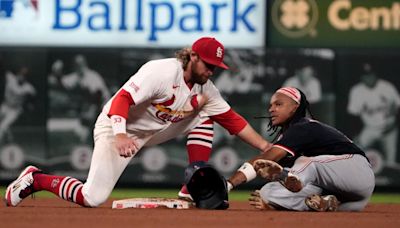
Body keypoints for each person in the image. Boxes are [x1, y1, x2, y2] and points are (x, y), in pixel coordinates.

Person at [5, 37, 271, 207]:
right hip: (116, 127)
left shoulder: (206, 89)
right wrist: (120, 135)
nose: (211, 71)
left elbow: (232, 120)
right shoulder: (162, 71)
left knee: (206, 114)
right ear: (193, 57)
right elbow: (122, 99)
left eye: (216, 67)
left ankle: (190, 187)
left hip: (152, 131)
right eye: (208, 64)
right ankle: (36, 179)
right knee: (92, 198)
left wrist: (266, 147)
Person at [226, 87, 375, 212]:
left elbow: (267, 158)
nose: (271, 109)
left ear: (295, 106)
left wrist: (230, 184)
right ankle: (327, 203)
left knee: (307, 163)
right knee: (267, 192)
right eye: (271, 105)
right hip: (349, 198)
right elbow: (266, 163)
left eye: (278, 104)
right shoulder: (287, 136)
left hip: (357, 171)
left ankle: (290, 177)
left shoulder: (303, 127)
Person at [347, 63, 400, 168]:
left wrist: (395, 124)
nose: (369, 78)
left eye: (371, 75)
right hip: (370, 128)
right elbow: (352, 115)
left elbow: (398, 106)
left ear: (376, 75)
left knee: (391, 162)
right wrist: (355, 134)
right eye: (365, 76)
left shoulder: (387, 87)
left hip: (390, 129)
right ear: (361, 78)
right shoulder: (356, 91)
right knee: (356, 152)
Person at [0, 66, 36, 144]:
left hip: (15, 110)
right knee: (3, 125)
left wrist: (30, 104)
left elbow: (33, 98)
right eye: (20, 74)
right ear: (17, 74)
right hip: (5, 106)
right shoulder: (10, 77)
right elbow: (3, 68)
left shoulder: (29, 87)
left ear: (26, 78)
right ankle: (10, 139)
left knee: (2, 126)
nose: (21, 77)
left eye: (24, 76)